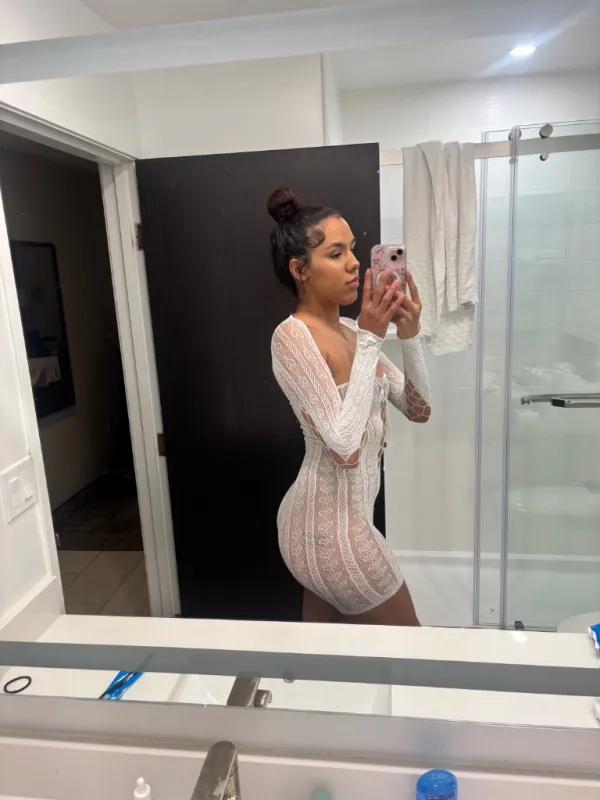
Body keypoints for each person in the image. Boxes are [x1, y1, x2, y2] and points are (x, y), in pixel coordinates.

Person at [269, 187, 431, 626]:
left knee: (323, 652)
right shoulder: (292, 337)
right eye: (336, 253)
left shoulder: (351, 330)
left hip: (339, 526)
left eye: (353, 250)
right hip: (326, 531)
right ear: (300, 269)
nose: (355, 263)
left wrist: (409, 335)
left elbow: (418, 409)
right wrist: (373, 336)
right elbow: (345, 449)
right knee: (414, 648)